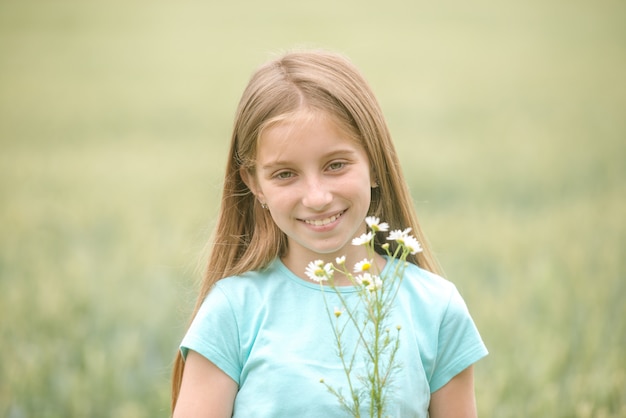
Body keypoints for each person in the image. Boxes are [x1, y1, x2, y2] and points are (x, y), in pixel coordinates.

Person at [171, 49, 488, 418]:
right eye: (284, 174)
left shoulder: (436, 310)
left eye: (336, 165)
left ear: (374, 164)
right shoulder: (233, 313)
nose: (317, 197)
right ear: (254, 184)